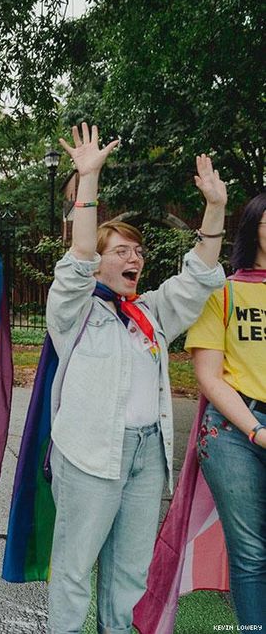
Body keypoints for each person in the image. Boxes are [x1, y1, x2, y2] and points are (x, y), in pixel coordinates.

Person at [45, 125, 226, 633]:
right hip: (89, 454)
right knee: (76, 570)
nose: (134, 258)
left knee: (128, 575)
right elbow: (76, 262)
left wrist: (213, 210)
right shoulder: (75, 311)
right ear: (100, 261)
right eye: (121, 250)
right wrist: (89, 180)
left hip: (148, 457)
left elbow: (196, 281)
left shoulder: (149, 312)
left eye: (138, 251)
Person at [185, 190, 266, 627]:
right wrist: (257, 429)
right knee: (251, 553)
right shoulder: (225, 293)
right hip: (235, 433)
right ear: (253, 228)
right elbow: (209, 376)